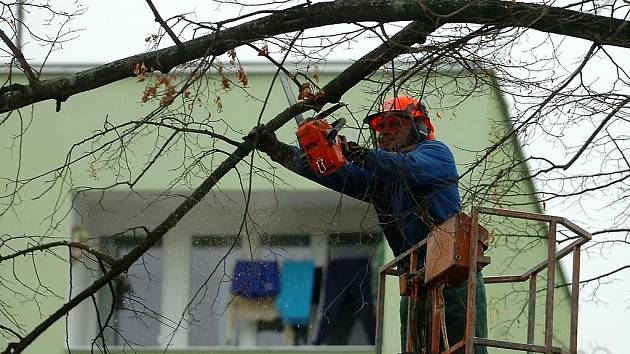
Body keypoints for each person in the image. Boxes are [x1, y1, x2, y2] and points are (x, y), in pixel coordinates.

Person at [249, 96, 488, 353]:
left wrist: (354, 152)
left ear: (419, 127)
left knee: (464, 350)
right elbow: (331, 173)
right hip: (415, 281)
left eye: (395, 123)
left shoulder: (435, 153)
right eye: (380, 126)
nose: (385, 131)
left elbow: (409, 167)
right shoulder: (380, 180)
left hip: (454, 275)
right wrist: (278, 150)